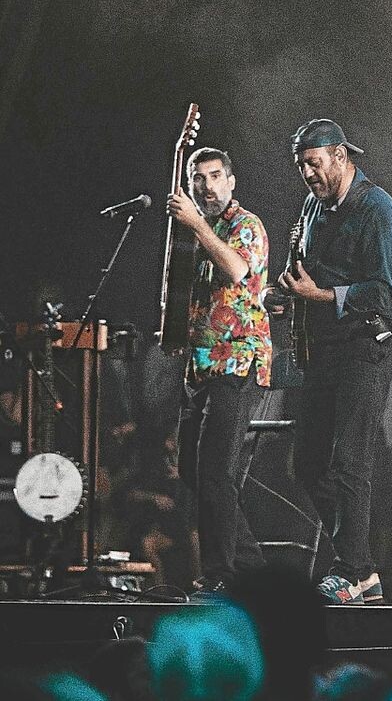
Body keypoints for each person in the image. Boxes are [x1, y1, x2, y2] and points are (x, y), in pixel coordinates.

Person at [278, 119, 392, 604]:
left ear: (340, 156)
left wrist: (323, 294)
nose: (308, 175)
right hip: (326, 347)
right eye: (301, 167)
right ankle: (360, 563)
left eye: (314, 164)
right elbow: (307, 269)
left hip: (367, 342)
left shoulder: (378, 210)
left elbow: (384, 289)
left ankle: (353, 570)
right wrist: (287, 293)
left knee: (351, 458)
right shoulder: (314, 206)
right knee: (307, 463)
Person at [168, 147, 271, 596]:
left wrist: (195, 223)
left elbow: (234, 269)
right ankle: (252, 571)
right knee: (192, 470)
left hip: (238, 362)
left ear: (230, 182)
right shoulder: (198, 231)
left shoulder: (244, 224)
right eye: (199, 179)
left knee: (214, 471)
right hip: (202, 367)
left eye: (215, 177)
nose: (207, 187)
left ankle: (221, 577)